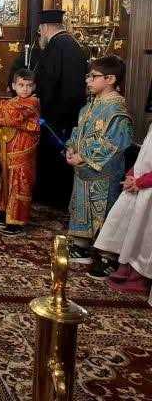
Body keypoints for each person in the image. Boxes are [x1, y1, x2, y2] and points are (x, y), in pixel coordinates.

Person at [66, 55, 133, 278]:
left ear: (110, 79)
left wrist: (84, 156)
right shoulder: (89, 107)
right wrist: (71, 148)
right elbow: (78, 131)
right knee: (82, 204)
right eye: (88, 76)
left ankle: (107, 256)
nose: (88, 81)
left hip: (104, 172)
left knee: (104, 210)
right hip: (82, 169)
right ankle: (81, 245)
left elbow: (116, 142)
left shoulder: (117, 110)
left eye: (93, 76)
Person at [34, 9, 89, 209]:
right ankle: (59, 197)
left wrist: (40, 106)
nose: (40, 35)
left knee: (54, 158)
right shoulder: (73, 44)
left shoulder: (56, 46)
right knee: (64, 155)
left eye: (40, 31)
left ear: (45, 28)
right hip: (70, 114)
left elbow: (49, 83)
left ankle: (51, 198)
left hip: (55, 116)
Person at [95, 123, 152, 293]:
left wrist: (141, 182)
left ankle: (138, 276)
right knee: (127, 225)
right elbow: (144, 154)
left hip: (147, 188)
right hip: (138, 183)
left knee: (144, 234)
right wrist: (131, 175)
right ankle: (123, 266)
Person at [0, 69, 41, 234]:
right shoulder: (14, 101)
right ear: (14, 86)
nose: (25, 89)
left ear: (34, 87)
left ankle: (16, 221)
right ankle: (4, 212)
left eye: (29, 85)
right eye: (21, 85)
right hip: (10, 148)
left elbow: (8, 118)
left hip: (24, 150)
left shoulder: (32, 102)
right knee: (7, 180)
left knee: (20, 183)